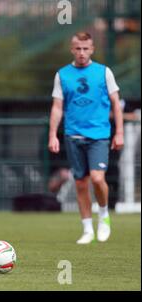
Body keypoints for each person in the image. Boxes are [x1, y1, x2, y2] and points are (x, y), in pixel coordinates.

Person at [48, 31, 124, 245]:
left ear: (92, 49)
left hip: (99, 135)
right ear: (72, 49)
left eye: (85, 48)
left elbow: (116, 103)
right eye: (78, 48)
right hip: (73, 135)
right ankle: (87, 229)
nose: (81, 52)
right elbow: (57, 107)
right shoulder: (62, 74)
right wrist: (53, 134)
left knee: (98, 179)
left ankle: (104, 215)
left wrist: (119, 132)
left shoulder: (104, 72)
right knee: (81, 183)